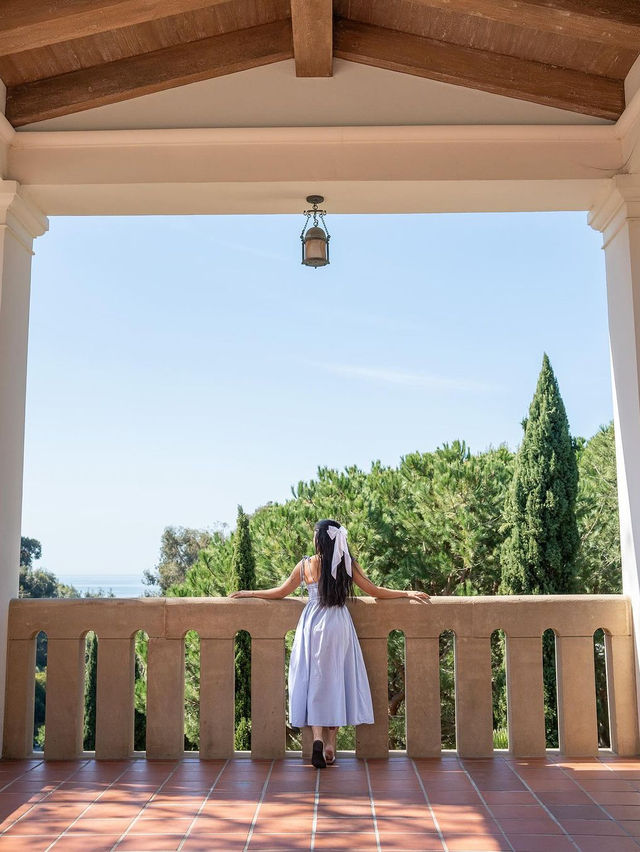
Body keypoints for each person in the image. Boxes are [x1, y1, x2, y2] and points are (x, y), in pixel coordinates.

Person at [229, 519, 430, 768]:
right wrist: (406, 593)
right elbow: (373, 590)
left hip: (311, 624)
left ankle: (317, 739)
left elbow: (281, 592)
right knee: (336, 681)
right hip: (337, 623)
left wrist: (250, 593)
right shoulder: (347, 563)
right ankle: (331, 744)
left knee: (314, 680)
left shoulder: (305, 565)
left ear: (318, 539)